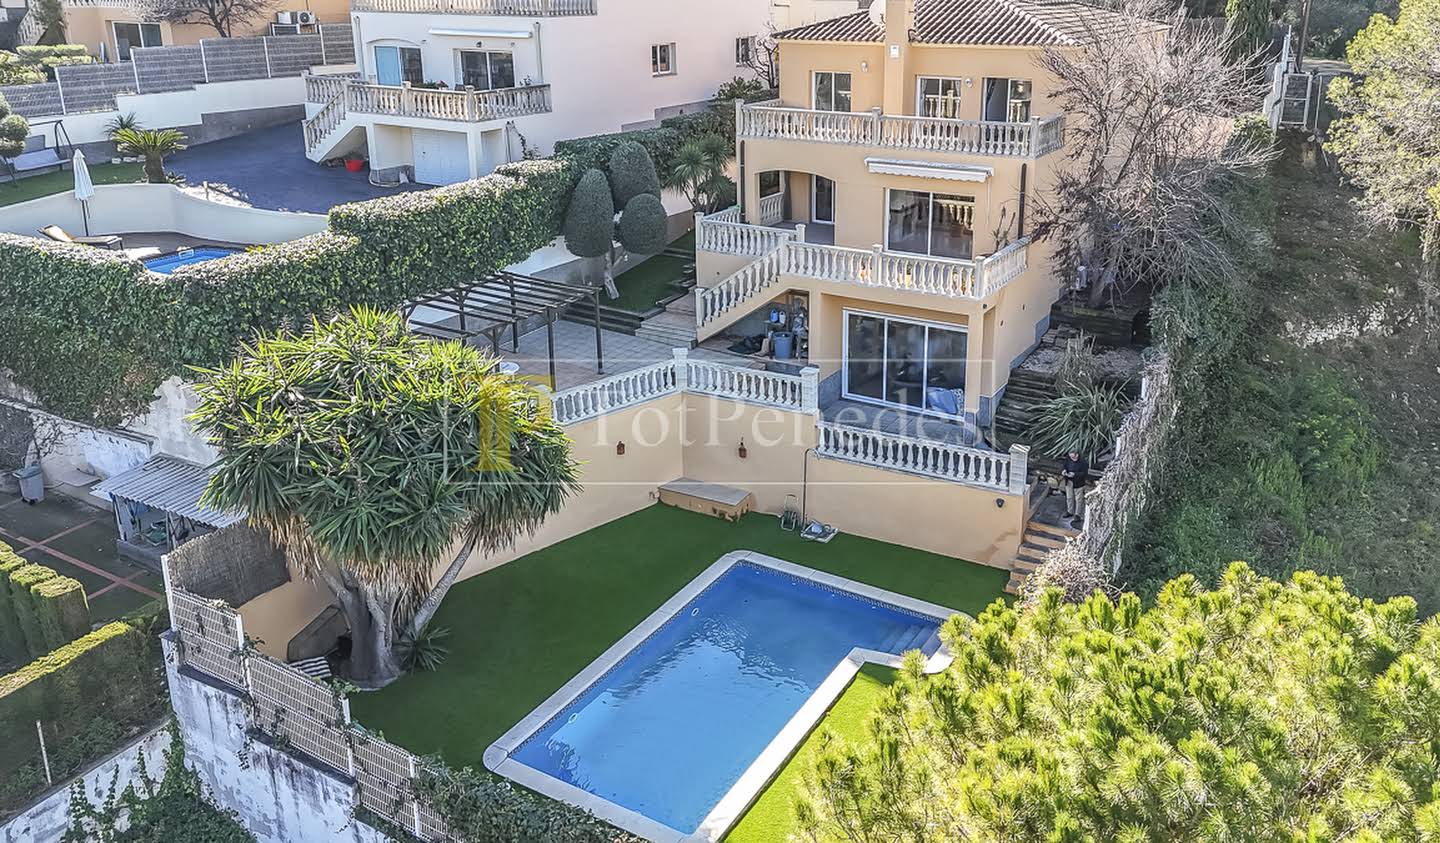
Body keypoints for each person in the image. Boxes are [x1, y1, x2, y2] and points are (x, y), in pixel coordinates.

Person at [1060, 450, 1089, 524]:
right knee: (1069, 497)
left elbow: (1085, 473)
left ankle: (1077, 515)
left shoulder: (1083, 462)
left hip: (1078, 483)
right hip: (1069, 481)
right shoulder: (1068, 459)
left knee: (1078, 499)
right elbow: (1064, 466)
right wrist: (1064, 471)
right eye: (1071, 457)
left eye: (1074, 457)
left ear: (1077, 455)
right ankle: (1070, 511)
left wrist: (1075, 474)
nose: (1072, 458)